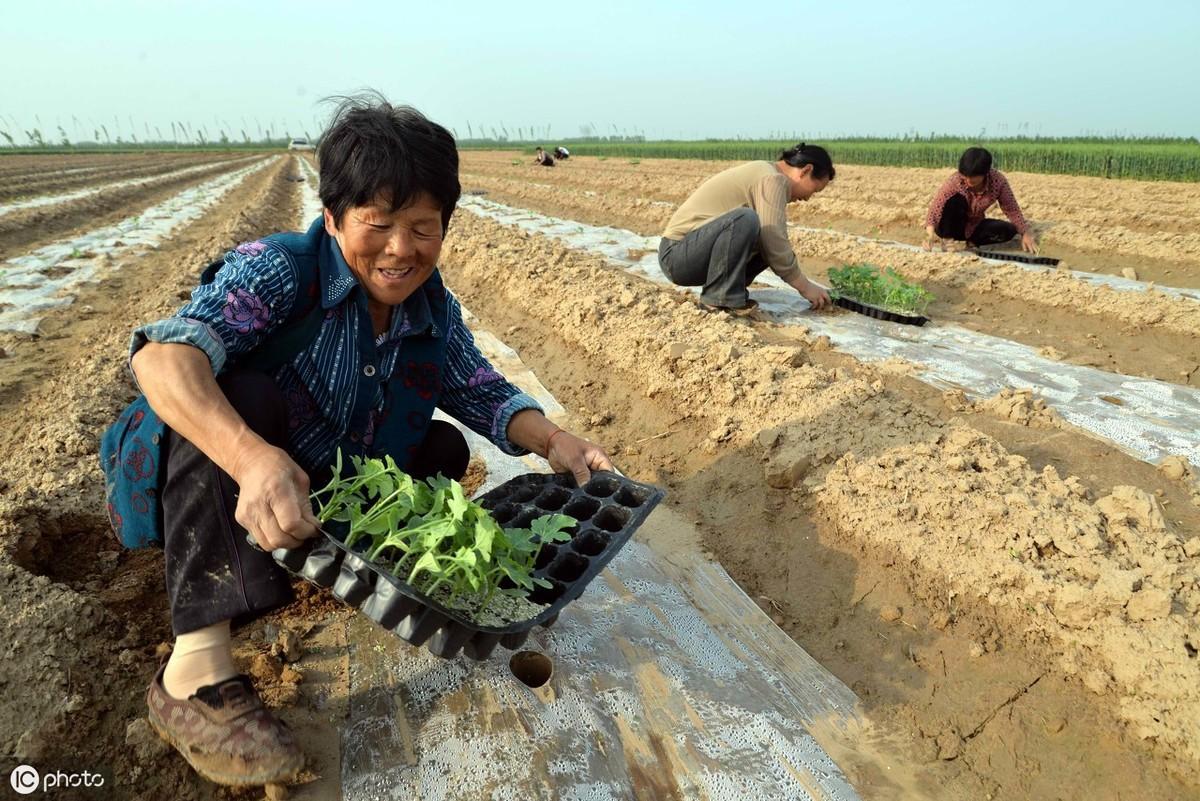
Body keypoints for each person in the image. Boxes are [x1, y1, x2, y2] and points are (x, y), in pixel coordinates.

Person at [123, 97, 612, 786]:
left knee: (442, 448)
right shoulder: (280, 270)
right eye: (377, 224)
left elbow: (477, 385)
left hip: (323, 481)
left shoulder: (429, 304)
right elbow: (161, 356)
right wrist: (252, 455)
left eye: (422, 227)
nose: (400, 248)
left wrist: (556, 439)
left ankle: (326, 554)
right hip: (214, 475)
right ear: (333, 218)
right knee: (241, 397)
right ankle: (193, 672)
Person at [658, 143, 834, 315]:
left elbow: (772, 242)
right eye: (815, 190)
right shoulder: (772, 178)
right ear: (806, 170)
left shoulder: (767, 173)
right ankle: (718, 300)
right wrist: (805, 286)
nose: (808, 198)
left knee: (766, 238)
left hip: (691, 253)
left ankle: (729, 294)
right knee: (749, 221)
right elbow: (773, 237)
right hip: (676, 256)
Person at [923, 147, 1037, 253]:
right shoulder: (955, 180)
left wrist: (1025, 233)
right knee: (956, 200)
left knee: (1009, 230)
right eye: (965, 175)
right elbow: (935, 208)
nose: (967, 179)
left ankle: (973, 242)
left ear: (985, 173)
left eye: (972, 177)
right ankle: (947, 241)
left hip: (974, 226)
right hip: (948, 226)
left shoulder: (998, 181)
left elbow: (1011, 209)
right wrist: (929, 235)